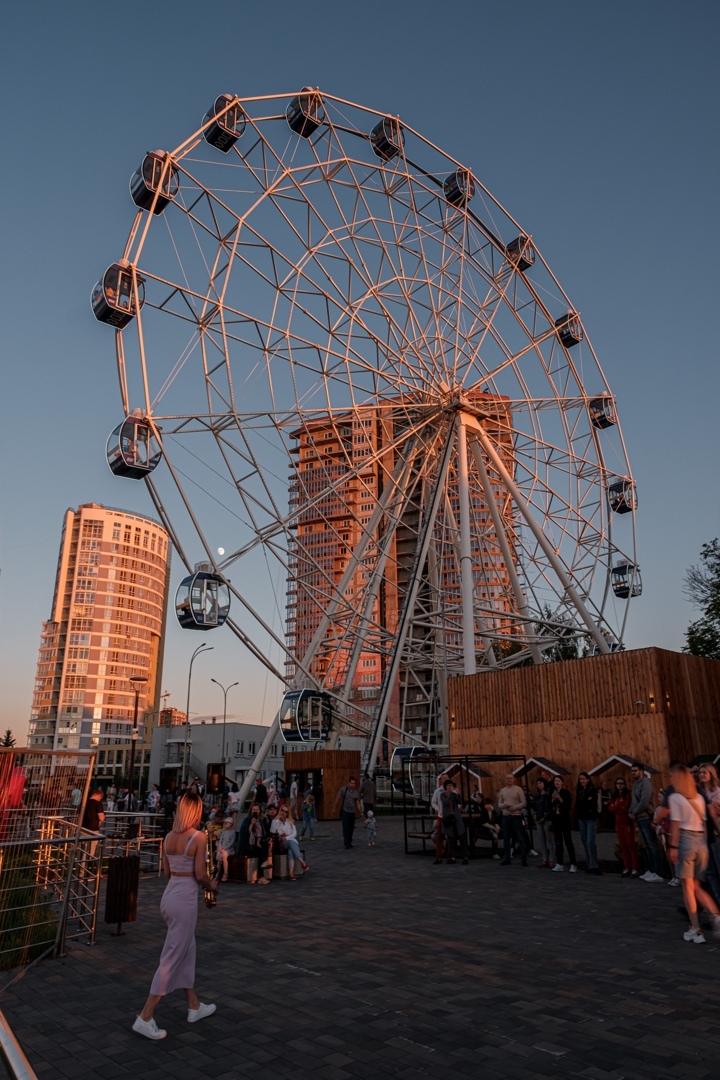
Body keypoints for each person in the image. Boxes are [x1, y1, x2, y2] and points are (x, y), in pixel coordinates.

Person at [132, 793, 217, 1039]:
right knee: (172, 957)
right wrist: (212, 885)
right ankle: (145, 1016)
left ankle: (194, 1006)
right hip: (185, 901)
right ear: (196, 811)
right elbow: (200, 875)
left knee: (186, 950)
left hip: (169, 896)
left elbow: (168, 871)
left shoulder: (168, 837)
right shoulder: (199, 837)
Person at [667, 764, 720, 944]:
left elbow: (675, 825)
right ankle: (716, 916)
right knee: (697, 886)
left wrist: (673, 847)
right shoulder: (698, 797)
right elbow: (705, 823)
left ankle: (696, 930)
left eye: (672, 777)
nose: (670, 780)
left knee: (688, 889)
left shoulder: (675, 798)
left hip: (685, 840)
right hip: (701, 842)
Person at [629, 762, 664, 882]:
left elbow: (644, 801)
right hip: (639, 818)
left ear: (642, 771)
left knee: (652, 845)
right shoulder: (635, 784)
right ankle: (652, 869)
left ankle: (659, 872)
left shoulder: (646, 784)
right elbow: (634, 801)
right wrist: (630, 811)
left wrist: (634, 813)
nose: (633, 772)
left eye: (636, 770)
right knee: (647, 846)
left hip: (646, 817)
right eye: (632, 770)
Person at [697, 763, 720, 904]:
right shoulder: (699, 792)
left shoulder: (717, 792)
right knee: (710, 872)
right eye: (700, 772)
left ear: (711, 774)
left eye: (704, 772)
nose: (701, 775)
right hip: (703, 834)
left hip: (716, 833)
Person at [496, 773, 529, 866]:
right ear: (505, 779)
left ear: (513, 779)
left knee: (520, 838)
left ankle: (523, 859)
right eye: (507, 778)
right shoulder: (502, 791)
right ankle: (507, 858)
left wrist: (514, 807)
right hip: (506, 816)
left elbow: (524, 803)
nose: (509, 779)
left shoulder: (518, 789)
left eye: (511, 778)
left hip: (516, 816)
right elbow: (499, 804)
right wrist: (504, 806)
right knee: (506, 838)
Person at [608, 777, 638, 876]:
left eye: (621, 783)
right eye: (618, 783)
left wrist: (617, 807)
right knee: (623, 846)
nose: (619, 785)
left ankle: (635, 868)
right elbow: (610, 808)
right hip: (618, 823)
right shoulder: (614, 796)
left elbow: (626, 807)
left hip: (627, 823)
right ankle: (627, 867)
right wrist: (619, 806)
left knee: (631, 845)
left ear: (625, 784)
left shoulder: (628, 794)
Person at [270, 805, 309, 880]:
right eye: (282, 810)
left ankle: (290, 874)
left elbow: (295, 833)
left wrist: (286, 838)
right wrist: (277, 821)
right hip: (281, 843)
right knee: (291, 843)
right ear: (280, 811)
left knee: (291, 851)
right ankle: (302, 862)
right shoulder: (275, 821)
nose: (283, 813)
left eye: (286, 812)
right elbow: (272, 831)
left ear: (288, 813)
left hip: (290, 841)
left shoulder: (290, 821)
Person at [550, 776, 577, 872]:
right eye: (555, 781)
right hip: (556, 820)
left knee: (568, 841)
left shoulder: (566, 793)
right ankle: (559, 863)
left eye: (559, 781)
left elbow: (567, 806)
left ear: (562, 783)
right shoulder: (551, 792)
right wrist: (553, 800)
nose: (557, 782)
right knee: (558, 842)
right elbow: (549, 806)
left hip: (564, 820)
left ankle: (573, 864)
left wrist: (559, 798)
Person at [576, 772, 601, 874]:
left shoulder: (592, 790)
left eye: (583, 779)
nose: (582, 781)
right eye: (580, 779)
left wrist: (585, 802)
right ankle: (589, 863)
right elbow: (578, 804)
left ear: (588, 779)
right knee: (584, 840)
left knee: (590, 841)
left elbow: (591, 803)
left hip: (590, 818)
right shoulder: (579, 791)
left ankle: (594, 865)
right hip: (581, 818)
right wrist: (585, 801)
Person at [439, 781, 468, 864]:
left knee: (461, 837)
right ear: (445, 786)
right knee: (451, 839)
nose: (450, 787)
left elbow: (460, 802)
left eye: (451, 785)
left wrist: (458, 794)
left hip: (456, 818)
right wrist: (451, 794)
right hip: (449, 818)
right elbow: (445, 802)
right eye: (448, 785)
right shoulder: (442, 795)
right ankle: (452, 857)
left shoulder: (454, 795)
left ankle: (465, 857)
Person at [531, 777, 555, 868]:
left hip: (547, 819)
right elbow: (535, 806)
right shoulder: (537, 795)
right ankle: (545, 859)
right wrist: (534, 815)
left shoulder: (549, 795)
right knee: (542, 840)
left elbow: (550, 807)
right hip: (538, 819)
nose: (539, 785)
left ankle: (551, 859)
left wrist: (545, 817)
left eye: (540, 783)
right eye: (537, 783)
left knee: (550, 840)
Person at [335, 776, 364, 850]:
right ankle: (346, 843)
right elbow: (338, 797)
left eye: (354, 783)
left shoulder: (356, 793)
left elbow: (357, 803)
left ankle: (350, 842)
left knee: (351, 829)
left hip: (352, 812)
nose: (353, 785)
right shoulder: (343, 790)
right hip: (345, 811)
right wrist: (334, 807)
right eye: (351, 783)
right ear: (349, 783)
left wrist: (361, 812)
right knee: (346, 828)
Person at [430, 773, 450, 864]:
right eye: (444, 778)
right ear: (441, 780)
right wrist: (438, 809)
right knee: (438, 836)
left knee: (449, 836)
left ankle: (449, 856)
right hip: (441, 816)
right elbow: (433, 802)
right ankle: (439, 856)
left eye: (447, 778)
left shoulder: (452, 791)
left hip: (449, 816)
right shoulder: (438, 791)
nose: (445, 779)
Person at [216, 816, 237, 883]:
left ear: (231, 824)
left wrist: (225, 848)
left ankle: (226, 873)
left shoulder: (233, 832)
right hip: (222, 848)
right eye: (224, 823)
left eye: (226, 823)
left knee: (224, 855)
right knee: (219, 857)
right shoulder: (224, 832)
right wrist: (221, 847)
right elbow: (221, 840)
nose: (225, 824)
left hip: (229, 849)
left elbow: (232, 842)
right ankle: (217, 873)